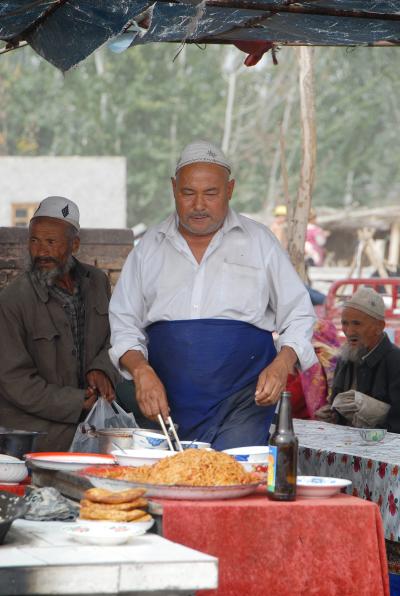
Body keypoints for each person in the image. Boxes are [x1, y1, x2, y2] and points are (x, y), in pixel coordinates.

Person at [109, 140, 316, 450]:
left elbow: (298, 313)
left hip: (243, 403)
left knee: (231, 482)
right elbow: (124, 324)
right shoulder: (149, 247)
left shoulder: (259, 242)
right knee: (170, 488)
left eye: (211, 193)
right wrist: (141, 371)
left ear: (229, 190)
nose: (199, 205)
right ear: (173, 189)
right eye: (188, 193)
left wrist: (282, 363)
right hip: (165, 405)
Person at [0, 196, 119, 451]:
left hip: (90, 420)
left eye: (51, 242)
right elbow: (14, 381)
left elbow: (116, 335)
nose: (40, 251)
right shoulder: (12, 300)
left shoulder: (97, 282)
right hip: (35, 429)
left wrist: (101, 369)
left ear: (74, 244)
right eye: (34, 240)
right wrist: (77, 402)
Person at [315, 287, 400, 432]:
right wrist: (331, 415)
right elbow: (337, 406)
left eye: (357, 324)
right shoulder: (345, 358)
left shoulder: (395, 361)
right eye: (345, 323)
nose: (349, 331)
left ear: (379, 327)